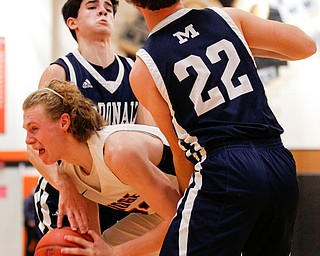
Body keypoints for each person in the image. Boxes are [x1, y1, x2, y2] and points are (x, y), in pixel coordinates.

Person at [124, 0, 317, 255]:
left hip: (224, 169)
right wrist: (241, 42)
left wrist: (187, 205)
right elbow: (305, 46)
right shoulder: (226, 19)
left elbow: (180, 151)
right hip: (278, 163)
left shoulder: (144, 68)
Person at [29, 0, 154, 238]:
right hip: (68, 193)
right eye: (92, 6)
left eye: (108, 6)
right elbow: (34, 145)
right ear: (72, 22)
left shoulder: (135, 71)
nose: (103, 10)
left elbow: (147, 136)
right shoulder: (61, 72)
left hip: (121, 196)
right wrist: (65, 185)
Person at [23, 79, 180, 255]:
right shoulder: (72, 171)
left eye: (34, 128)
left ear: (64, 122)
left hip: (198, 199)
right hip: (161, 215)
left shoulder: (117, 152)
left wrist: (116, 252)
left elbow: (179, 218)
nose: (28, 140)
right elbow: (93, 239)